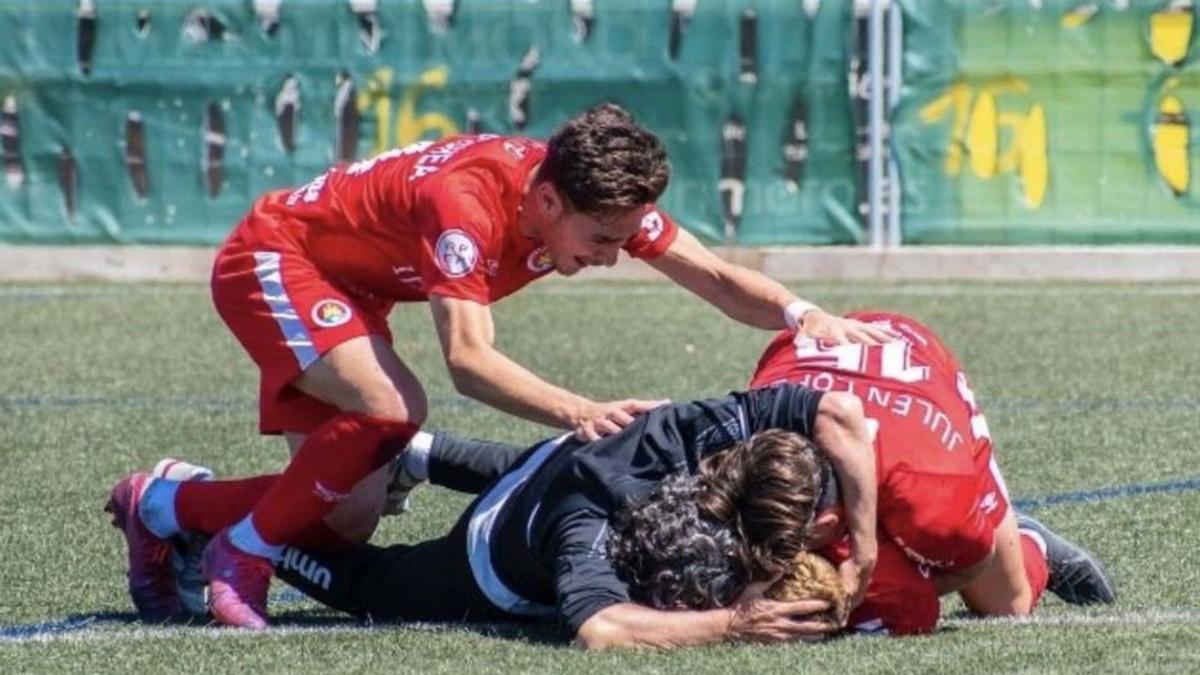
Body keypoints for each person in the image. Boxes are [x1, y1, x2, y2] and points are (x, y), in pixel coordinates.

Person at [106, 103, 890, 628]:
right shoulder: (467, 204)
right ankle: (240, 549)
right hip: (274, 256)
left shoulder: (593, 196)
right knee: (391, 408)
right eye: (600, 241)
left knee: (344, 516)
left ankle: (166, 505)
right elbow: (469, 361)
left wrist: (800, 312)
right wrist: (579, 411)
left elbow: (713, 276)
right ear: (547, 201)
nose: (614, 260)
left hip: (353, 290)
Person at [119, 385, 869, 641]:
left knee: (442, 459)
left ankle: (402, 451)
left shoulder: (706, 430)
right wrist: (733, 623)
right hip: (492, 556)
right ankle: (189, 506)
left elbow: (839, 410)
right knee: (360, 582)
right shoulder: (592, 534)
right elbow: (603, 629)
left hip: (551, 461)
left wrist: (863, 550)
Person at [750, 310, 1115, 626]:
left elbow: (968, 564)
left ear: (828, 523)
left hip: (917, 367)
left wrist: (883, 592)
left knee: (1006, 603)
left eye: (787, 543)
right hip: (820, 339)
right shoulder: (739, 453)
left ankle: (1032, 539)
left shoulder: (935, 489)